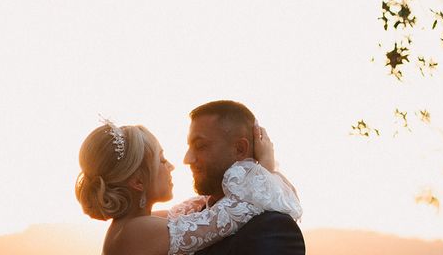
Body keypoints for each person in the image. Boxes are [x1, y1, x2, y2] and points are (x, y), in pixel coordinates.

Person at [75, 115, 301, 255]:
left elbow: (203, 206)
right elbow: (232, 212)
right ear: (137, 181)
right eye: (161, 160)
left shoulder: (140, 224)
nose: (172, 165)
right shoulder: (135, 232)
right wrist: (266, 169)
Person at [184, 100, 306, 255]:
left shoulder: (273, 227)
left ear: (240, 149)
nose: (187, 159)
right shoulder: (195, 217)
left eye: (200, 146)